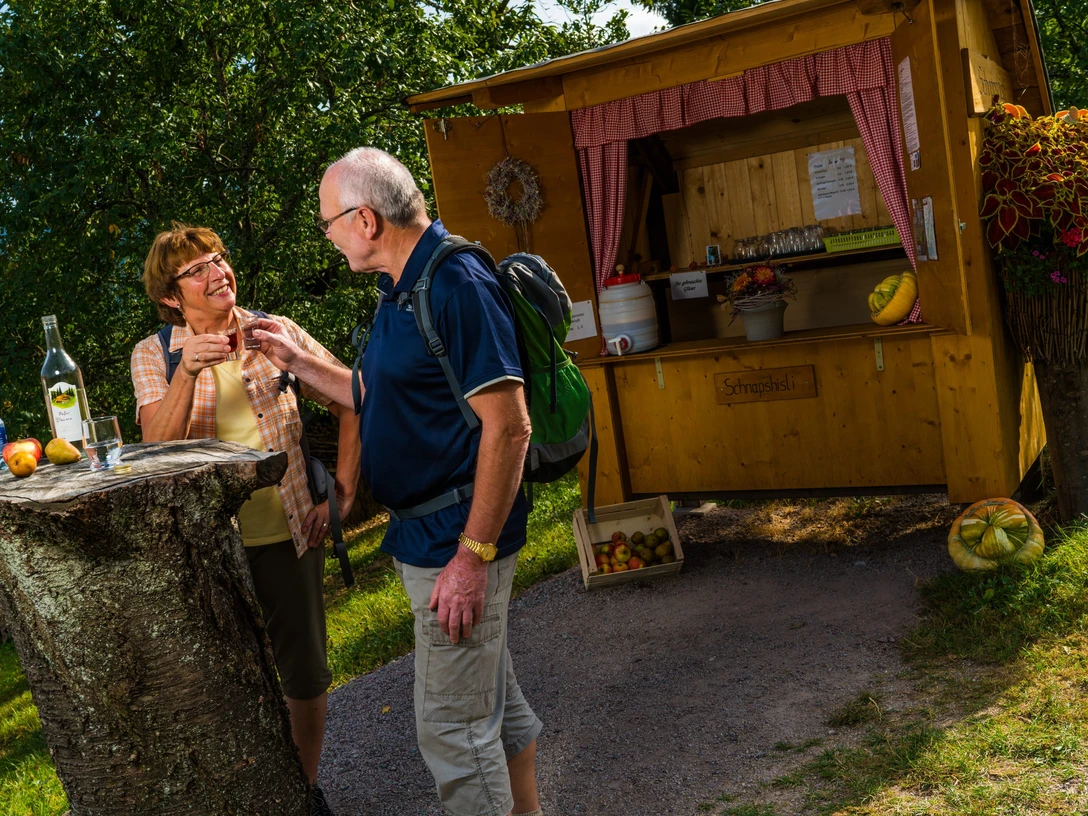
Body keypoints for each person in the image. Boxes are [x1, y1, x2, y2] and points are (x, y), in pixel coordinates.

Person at [253, 147, 544, 816]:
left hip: (458, 539)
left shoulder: (455, 284)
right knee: (496, 709)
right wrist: (297, 360)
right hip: (431, 537)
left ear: (365, 220)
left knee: (453, 730)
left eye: (328, 223)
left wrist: (472, 557)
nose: (327, 238)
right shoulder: (400, 288)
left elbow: (509, 429)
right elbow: (374, 390)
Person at [129, 224, 360, 816]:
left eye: (219, 259)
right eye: (198, 269)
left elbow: (350, 397)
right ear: (171, 297)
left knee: (305, 674)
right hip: (205, 548)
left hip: (288, 530)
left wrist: (342, 492)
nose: (218, 272)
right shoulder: (155, 354)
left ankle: (301, 793)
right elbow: (154, 452)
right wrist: (188, 372)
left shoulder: (273, 332)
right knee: (221, 685)